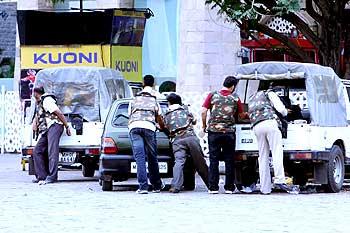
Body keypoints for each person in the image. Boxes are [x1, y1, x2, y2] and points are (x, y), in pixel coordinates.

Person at [201, 76, 247, 194]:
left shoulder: (212, 95)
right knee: (229, 159)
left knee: (213, 160)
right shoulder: (235, 97)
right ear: (233, 86)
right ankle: (229, 188)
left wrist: (204, 125)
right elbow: (241, 115)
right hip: (229, 132)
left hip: (213, 132)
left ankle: (213, 187)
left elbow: (203, 111)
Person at [248, 87, 297, 194]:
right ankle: (280, 179)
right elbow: (281, 109)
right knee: (276, 152)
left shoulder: (252, 97)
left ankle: (265, 188)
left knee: (262, 156)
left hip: (256, 126)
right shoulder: (269, 93)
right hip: (270, 123)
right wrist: (286, 112)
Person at [161, 93, 209, 193]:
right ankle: (211, 184)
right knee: (199, 161)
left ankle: (175, 186)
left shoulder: (165, 114)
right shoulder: (186, 110)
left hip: (177, 140)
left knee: (179, 162)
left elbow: (164, 127)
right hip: (190, 137)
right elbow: (194, 121)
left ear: (169, 103)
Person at [128, 75, 165, 194]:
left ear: (142, 83)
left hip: (134, 127)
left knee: (140, 157)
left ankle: (143, 187)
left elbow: (129, 114)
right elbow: (159, 116)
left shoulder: (134, 98)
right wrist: (162, 127)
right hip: (149, 127)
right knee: (152, 156)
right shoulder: (154, 99)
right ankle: (157, 185)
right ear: (153, 84)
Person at [32, 86, 71, 185]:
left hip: (55, 126)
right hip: (47, 129)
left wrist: (67, 126)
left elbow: (58, 113)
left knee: (52, 151)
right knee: (37, 150)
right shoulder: (40, 102)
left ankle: (52, 176)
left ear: (35, 93)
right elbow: (40, 116)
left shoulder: (47, 100)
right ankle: (42, 176)